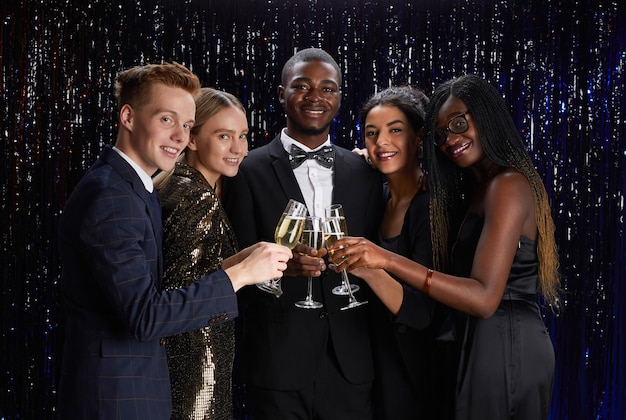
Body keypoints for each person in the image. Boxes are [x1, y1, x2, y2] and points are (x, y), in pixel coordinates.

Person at [57, 63, 292, 419]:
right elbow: (146, 315)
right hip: (118, 398)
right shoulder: (112, 195)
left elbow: (158, 288)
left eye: (185, 125)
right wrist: (238, 276)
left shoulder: (136, 188)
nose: (180, 137)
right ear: (128, 116)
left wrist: (235, 264)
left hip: (136, 390)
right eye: (167, 120)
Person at [328, 74, 560, 420]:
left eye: (459, 123)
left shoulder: (508, 185)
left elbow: (483, 299)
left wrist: (385, 260)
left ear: (486, 115)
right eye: (442, 133)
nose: (451, 139)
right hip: (481, 343)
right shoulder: (477, 187)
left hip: (506, 345)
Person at [222, 48, 383, 419]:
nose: (316, 97)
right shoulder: (246, 170)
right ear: (282, 94)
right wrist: (276, 271)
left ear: (339, 98)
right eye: (302, 86)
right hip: (278, 365)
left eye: (328, 88)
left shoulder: (367, 173)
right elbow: (232, 272)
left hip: (352, 366)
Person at [356, 85, 455, 419]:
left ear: (418, 138)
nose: (381, 142)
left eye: (395, 130)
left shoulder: (432, 206)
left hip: (417, 373)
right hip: (374, 367)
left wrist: (367, 267)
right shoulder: (375, 195)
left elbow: (422, 312)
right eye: (372, 133)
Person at [153, 87, 252, 419]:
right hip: (196, 367)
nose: (238, 148)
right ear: (191, 139)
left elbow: (191, 270)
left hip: (184, 365)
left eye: (242, 136)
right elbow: (179, 296)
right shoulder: (196, 196)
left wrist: (246, 260)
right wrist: (245, 273)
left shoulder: (179, 185)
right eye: (224, 136)